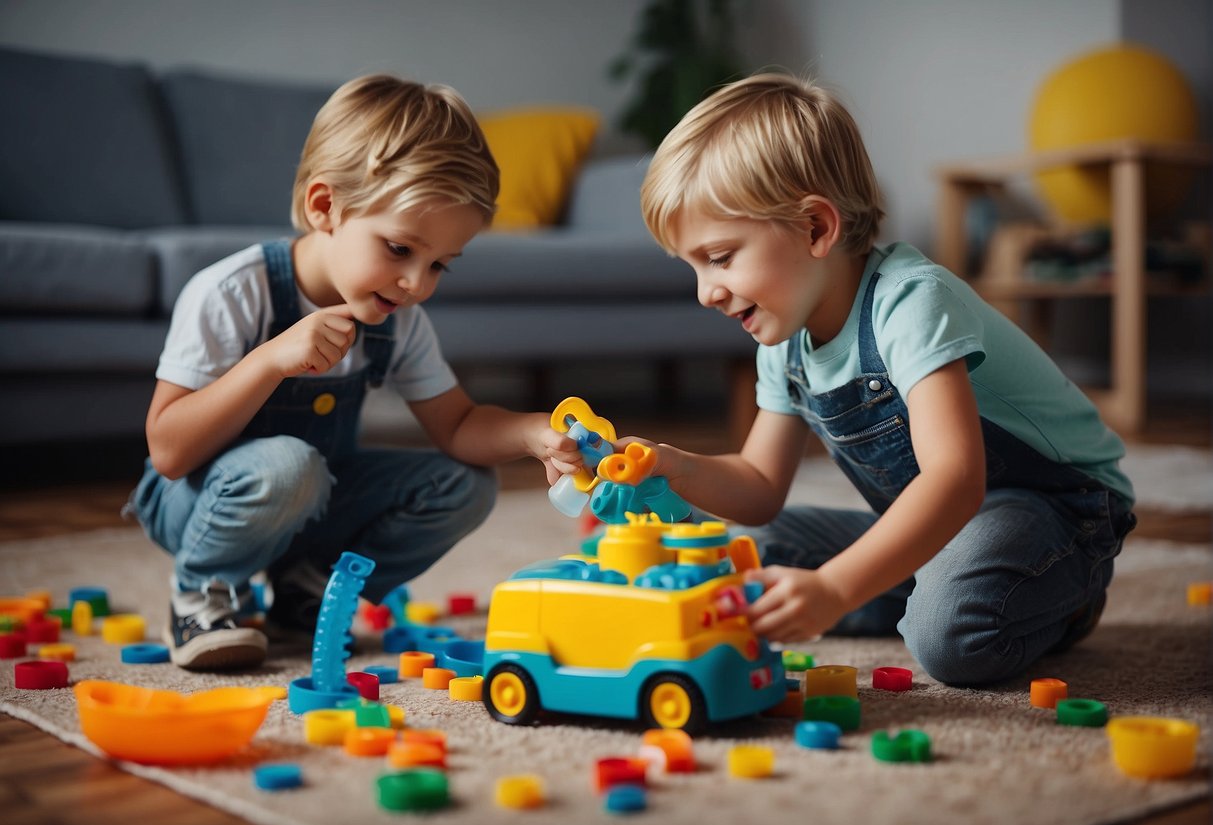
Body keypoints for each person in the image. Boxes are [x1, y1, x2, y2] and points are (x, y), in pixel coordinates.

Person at [630, 73, 1136, 687]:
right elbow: (761, 486)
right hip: (947, 522)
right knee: (741, 557)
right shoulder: (783, 336)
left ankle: (1066, 596)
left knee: (949, 638)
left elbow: (954, 479)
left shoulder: (909, 302)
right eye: (691, 266)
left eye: (718, 257)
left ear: (816, 228)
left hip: (1061, 510)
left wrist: (837, 587)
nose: (705, 293)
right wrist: (669, 464)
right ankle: (928, 580)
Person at [128, 75, 580, 671]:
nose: (416, 284)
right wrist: (270, 360)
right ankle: (201, 592)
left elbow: (459, 424)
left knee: (466, 484)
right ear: (325, 207)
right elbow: (168, 452)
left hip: (310, 498)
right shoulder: (233, 293)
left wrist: (531, 433)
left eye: (440, 264)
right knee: (289, 467)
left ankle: (308, 590)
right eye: (399, 249)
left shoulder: (398, 318)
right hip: (196, 503)